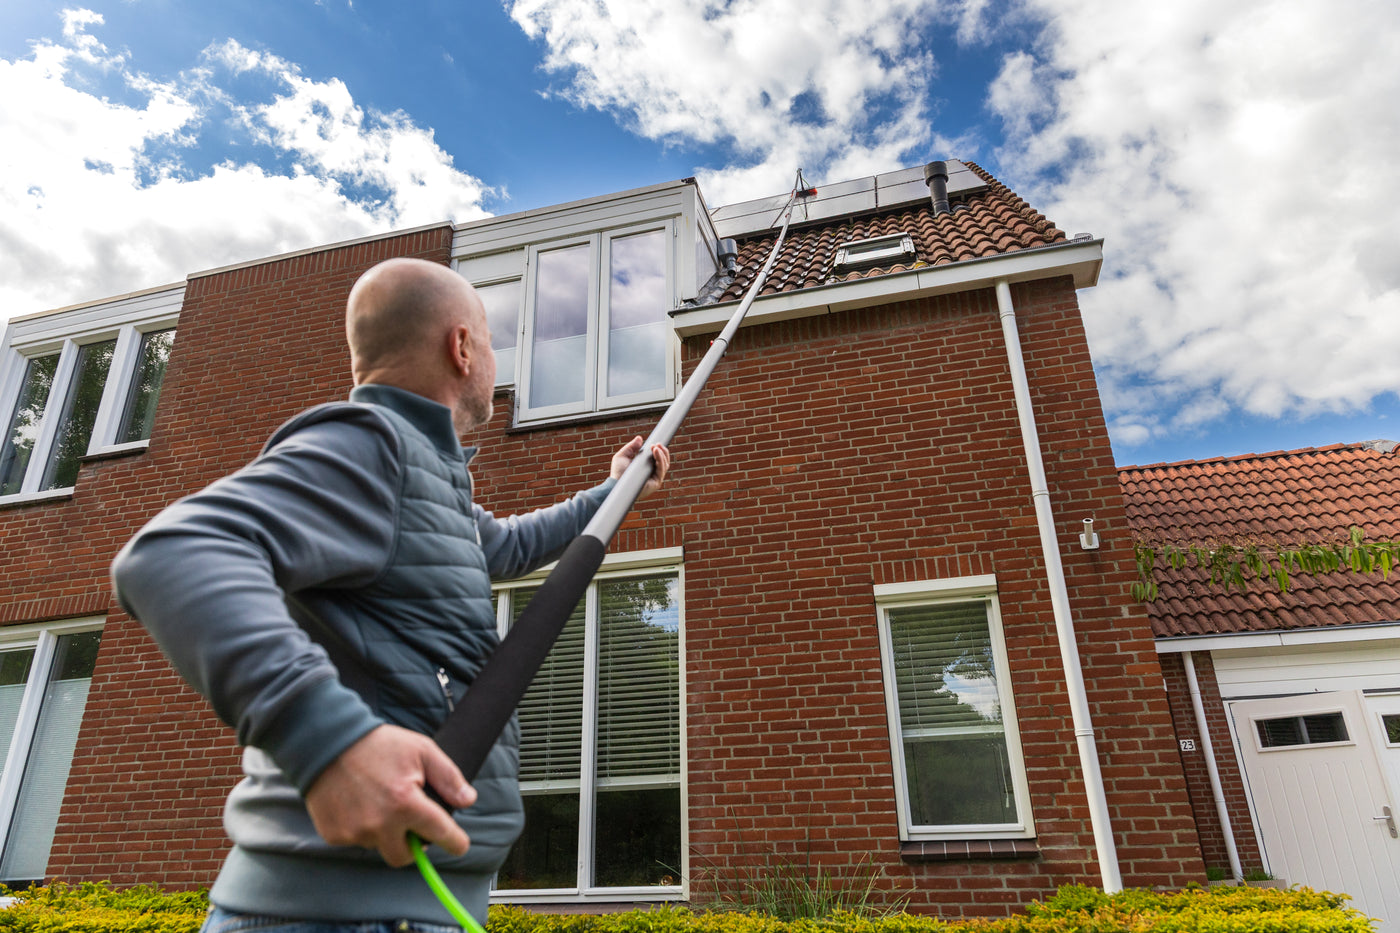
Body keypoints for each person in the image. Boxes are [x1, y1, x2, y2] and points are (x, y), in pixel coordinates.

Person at [112, 257, 671, 933]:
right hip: (337, 914)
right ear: (461, 347)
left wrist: (614, 489)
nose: (497, 360)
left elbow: (510, 546)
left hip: (410, 907)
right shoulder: (373, 446)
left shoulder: (427, 478)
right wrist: (332, 741)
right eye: (492, 340)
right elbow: (175, 551)